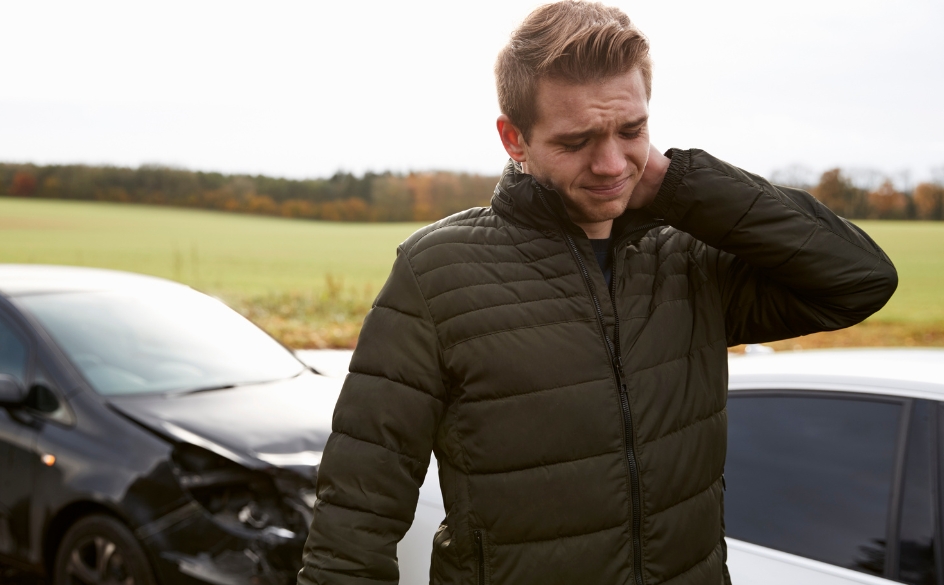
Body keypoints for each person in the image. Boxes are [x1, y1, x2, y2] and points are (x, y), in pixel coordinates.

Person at [297, 2, 898, 584]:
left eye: (631, 130)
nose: (611, 163)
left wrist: (669, 180)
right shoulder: (437, 272)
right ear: (514, 140)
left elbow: (858, 280)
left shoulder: (686, 256)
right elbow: (356, 514)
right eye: (577, 140)